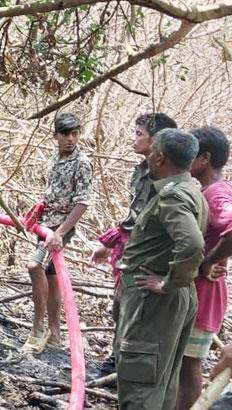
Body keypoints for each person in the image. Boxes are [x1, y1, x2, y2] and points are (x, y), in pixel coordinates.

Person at [114, 129, 207, 410]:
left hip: (153, 302)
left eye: (152, 150)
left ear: (160, 157)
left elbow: (191, 244)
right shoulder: (191, 190)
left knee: (140, 389)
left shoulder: (173, 197)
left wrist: (168, 283)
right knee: (162, 384)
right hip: (173, 298)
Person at [90, 113, 177, 375]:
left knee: (135, 313)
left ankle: (126, 368)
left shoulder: (166, 182)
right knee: (121, 308)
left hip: (148, 259)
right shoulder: (141, 171)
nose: (134, 139)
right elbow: (134, 217)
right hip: (131, 253)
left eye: (139, 134)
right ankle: (116, 361)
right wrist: (110, 241)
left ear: (157, 141)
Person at [22, 113, 93, 354]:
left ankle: (38, 327)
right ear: (55, 136)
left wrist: (60, 233)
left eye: (75, 134)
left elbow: (82, 203)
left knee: (35, 266)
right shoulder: (54, 157)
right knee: (51, 277)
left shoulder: (82, 162)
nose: (70, 139)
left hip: (61, 227)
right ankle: (55, 335)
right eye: (65, 134)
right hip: (45, 222)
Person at [177, 127, 232, 410]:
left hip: (204, 293)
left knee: (188, 366)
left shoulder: (217, 194)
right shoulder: (208, 191)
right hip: (198, 292)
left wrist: (209, 262)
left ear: (205, 158)